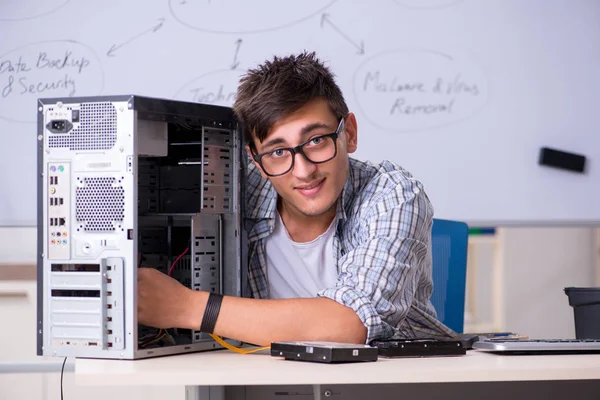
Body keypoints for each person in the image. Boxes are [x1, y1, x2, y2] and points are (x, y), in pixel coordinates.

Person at [137, 51, 454, 346]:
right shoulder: (234, 190)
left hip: (396, 378)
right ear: (256, 161)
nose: (302, 171)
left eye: (316, 140)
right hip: (267, 378)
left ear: (350, 134)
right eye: (277, 151)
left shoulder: (393, 194)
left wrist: (187, 307)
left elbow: (351, 324)